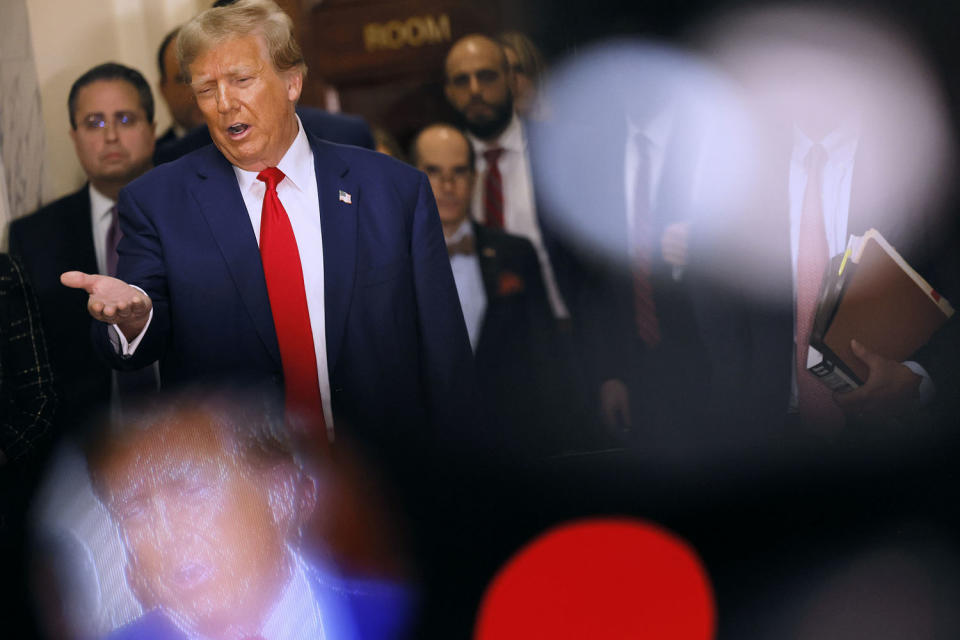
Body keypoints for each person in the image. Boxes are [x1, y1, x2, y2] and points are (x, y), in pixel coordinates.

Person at [62, 0, 478, 456]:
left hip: (386, 476)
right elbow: (141, 327)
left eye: (241, 80)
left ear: (292, 81)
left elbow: (447, 362)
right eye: (206, 89)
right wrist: (135, 319)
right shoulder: (158, 201)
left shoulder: (394, 191)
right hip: (244, 491)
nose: (224, 104)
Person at [84, 393, 411, 640]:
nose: (166, 535)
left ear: (280, 496)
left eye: (191, 492)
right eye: (134, 510)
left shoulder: (396, 615)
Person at [8, 62, 159, 428]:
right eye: (94, 123)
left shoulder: (197, 208)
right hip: (89, 441)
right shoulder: (33, 236)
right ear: (74, 137)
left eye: (124, 119)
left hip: (202, 427)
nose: (110, 137)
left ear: (152, 130)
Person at [411, 123, 557, 455]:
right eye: (434, 172)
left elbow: (545, 353)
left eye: (459, 172)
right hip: (430, 446)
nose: (448, 185)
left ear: (475, 178)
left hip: (515, 439)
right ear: (413, 177)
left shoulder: (516, 254)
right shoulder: (393, 262)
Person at [443, 34, 571, 324]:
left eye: (486, 76)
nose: (475, 90)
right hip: (484, 343)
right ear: (449, 92)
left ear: (511, 82)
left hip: (564, 330)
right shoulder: (442, 172)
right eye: (462, 81)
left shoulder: (556, 151)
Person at [154, 27, 205, 154]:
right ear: (163, 89)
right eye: (183, 79)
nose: (196, 90)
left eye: (204, 77)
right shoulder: (152, 163)